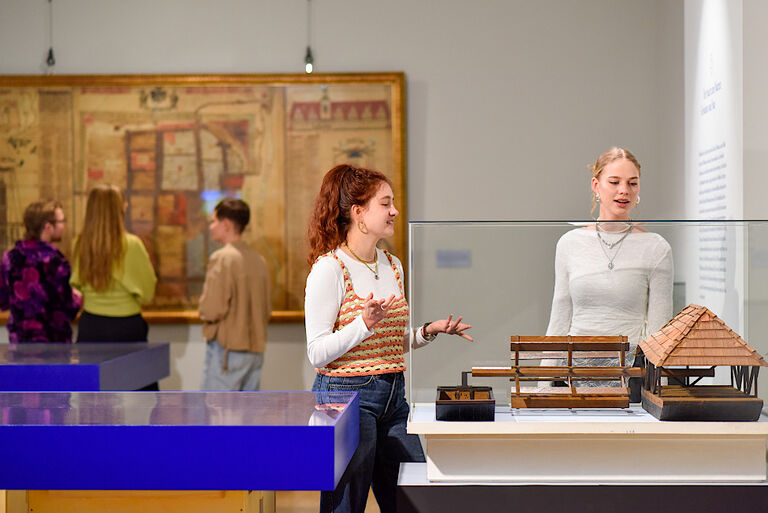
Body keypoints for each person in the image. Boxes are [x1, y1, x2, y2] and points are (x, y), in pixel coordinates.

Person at [305, 164, 473, 513]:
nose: (395, 211)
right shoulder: (329, 269)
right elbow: (317, 353)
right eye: (386, 203)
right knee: (346, 505)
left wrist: (427, 332)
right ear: (358, 213)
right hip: (347, 399)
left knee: (413, 499)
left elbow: (389, 340)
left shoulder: (392, 264)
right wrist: (362, 324)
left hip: (393, 398)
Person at [542, 147, 674, 383]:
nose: (624, 190)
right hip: (573, 373)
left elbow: (658, 333)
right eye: (614, 182)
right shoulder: (569, 243)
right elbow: (560, 318)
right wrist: (542, 385)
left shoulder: (656, 247)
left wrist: (657, 390)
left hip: (632, 375)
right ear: (596, 186)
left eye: (632, 183)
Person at [70, 185, 158, 387]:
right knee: (138, 391)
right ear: (119, 208)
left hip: (91, 326)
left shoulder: (81, 243)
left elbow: (78, 285)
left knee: (93, 395)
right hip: (126, 327)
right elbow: (147, 292)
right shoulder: (132, 244)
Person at [199, 198, 271, 391]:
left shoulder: (222, 258)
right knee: (247, 416)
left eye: (214, 221)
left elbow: (211, 309)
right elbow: (266, 309)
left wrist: (203, 310)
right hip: (255, 350)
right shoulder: (259, 260)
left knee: (217, 414)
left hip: (227, 351)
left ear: (227, 224)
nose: (211, 227)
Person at [0, 200, 82, 342]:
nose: (64, 225)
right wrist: (78, 297)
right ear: (48, 227)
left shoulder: (9, 258)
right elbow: (69, 309)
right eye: (62, 221)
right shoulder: (55, 262)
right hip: (53, 345)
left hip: (21, 343)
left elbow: (3, 301)